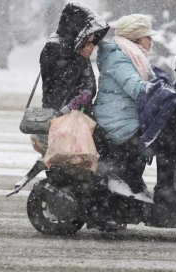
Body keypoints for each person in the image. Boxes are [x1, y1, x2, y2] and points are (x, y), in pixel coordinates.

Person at [37, 2, 119, 232]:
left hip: (80, 116)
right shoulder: (57, 49)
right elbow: (59, 86)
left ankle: (105, 206)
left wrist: (85, 94)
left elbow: (88, 82)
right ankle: (96, 211)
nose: (92, 45)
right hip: (66, 119)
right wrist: (74, 100)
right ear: (78, 31)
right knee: (94, 162)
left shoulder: (73, 50)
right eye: (90, 39)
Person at [93, 14, 176, 207]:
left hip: (126, 118)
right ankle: (164, 191)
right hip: (118, 124)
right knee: (168, 138)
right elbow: (138, 89)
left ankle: (140, 184)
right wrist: (162, 91)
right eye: (147, 36)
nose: (151, 41)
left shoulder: (132, 56)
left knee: (171, 130)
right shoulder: (118, 58)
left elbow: (151, 82)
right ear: (135, 38)